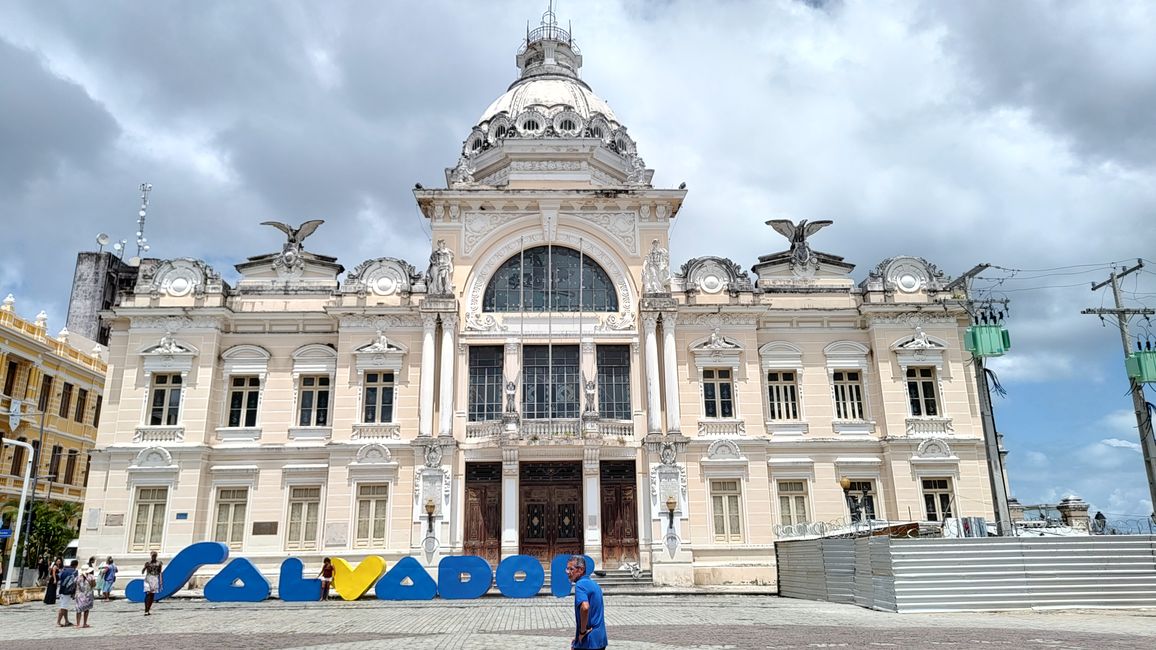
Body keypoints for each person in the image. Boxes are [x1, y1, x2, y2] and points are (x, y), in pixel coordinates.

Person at [566, 555, 607, 650]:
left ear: (580, 570)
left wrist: (582, 632)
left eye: (571, 569)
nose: (568, 572)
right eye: (567, 569)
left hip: (588, 641)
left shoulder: (580, 585)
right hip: (600, 638)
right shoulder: (594, 584)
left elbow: (585, 607)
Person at [56, 559, 79, 627]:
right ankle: (58, 622)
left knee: (65, 607)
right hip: (68, 590)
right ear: (76, 565)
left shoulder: (64, 570)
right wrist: (74, 592)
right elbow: (74, 582)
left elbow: (59, 577)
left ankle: (66, 621)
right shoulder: (74, 572)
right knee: (63, 607)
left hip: (62, 589)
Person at [141, 551, 163, 615]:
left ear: (156, 556)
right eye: (152, 556)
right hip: (148, 578)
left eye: (155, 556)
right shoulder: (147, 563)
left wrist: (161, 582)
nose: (153, 557)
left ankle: (148, 609)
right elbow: (142, 572)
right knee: (148, 594)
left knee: (152, 595)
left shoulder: (159, 563)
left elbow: (160, 572)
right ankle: (146, 610)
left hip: (155, 578)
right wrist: (145, 567)